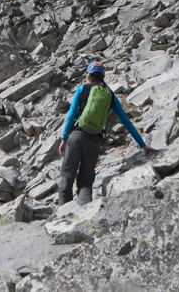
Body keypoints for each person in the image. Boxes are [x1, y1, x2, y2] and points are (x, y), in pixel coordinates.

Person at [58, 61, 156, 206]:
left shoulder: (82, 89)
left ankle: (62, 216)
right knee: (85, 181)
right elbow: (126, 122)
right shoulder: (109, 95)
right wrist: (143, 145)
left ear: (88, 75)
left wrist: (64, 139)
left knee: (67, 176)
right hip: (94, 141)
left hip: (76, 136)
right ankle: (84, 212)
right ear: (103, 76)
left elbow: (71, 115)